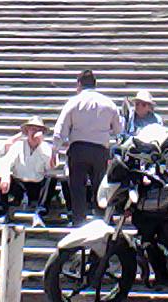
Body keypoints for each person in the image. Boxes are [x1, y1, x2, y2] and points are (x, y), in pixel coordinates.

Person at [51, 70, 122, 226]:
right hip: (100, 151)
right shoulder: (109, 103)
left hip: (78, 150)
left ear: (79, 84)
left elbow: (60, 129)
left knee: (77, 189)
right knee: (100, 188)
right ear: (95, 84)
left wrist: (54, 150)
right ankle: (102, 221)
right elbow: (119, 130)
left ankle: (79, 222)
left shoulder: (73, 102)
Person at [0, 117, 56, 228]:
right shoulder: (18, 146)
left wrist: (40, 145)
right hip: (19, 184)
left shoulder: (46, 148)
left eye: (37, 130)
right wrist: (5, 177)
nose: (34, 133)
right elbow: (6, 162)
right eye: (32, 129)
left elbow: (51, 166)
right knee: (0, 177)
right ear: (27, 131)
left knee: (51, 179)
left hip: (36, 185)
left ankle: (39, 214)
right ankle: (1, 213)